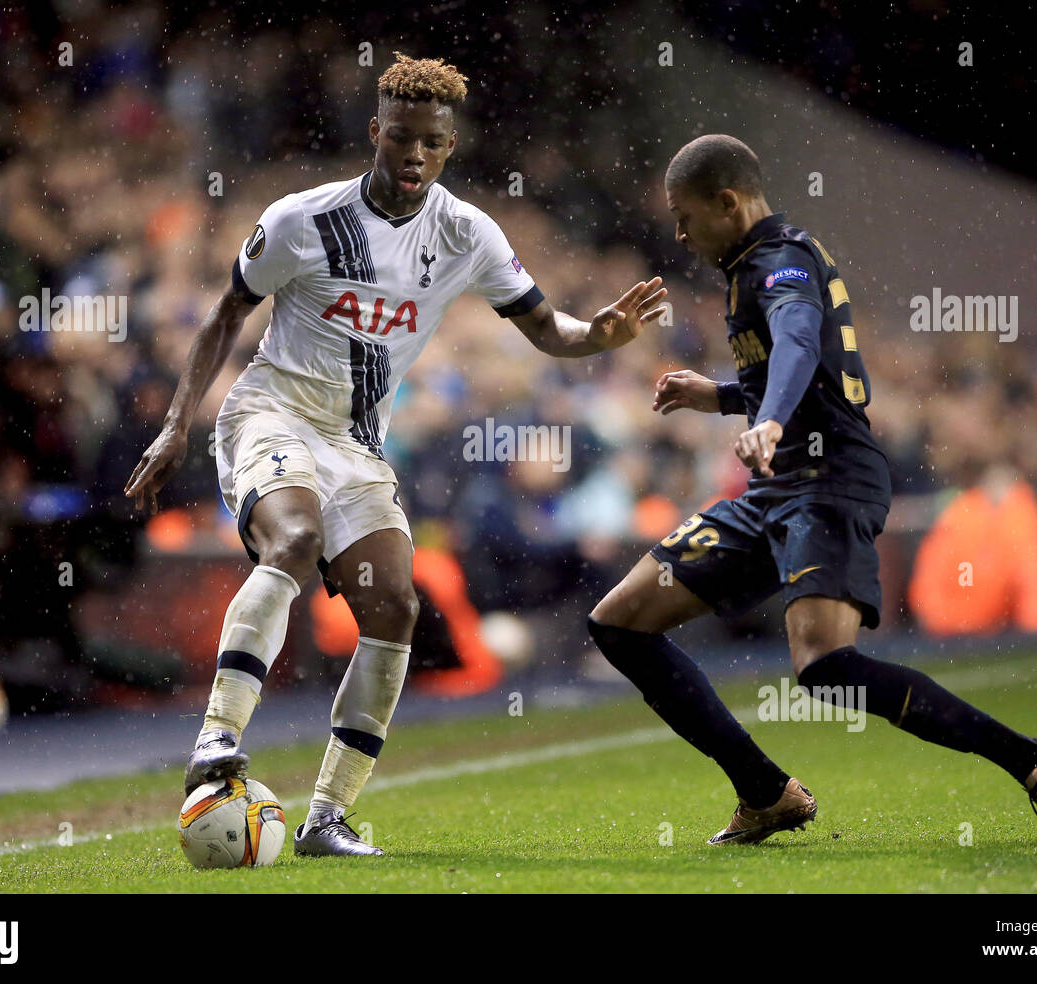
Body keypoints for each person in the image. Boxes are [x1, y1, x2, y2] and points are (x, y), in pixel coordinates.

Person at [124, 53, 666, 857]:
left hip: (355, 443)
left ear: (450, 147)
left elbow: (548, 327)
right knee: (296, 542)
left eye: (433, 144)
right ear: (375, 133)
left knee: (395, 608)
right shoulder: (303, 218)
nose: (415, 156)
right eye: (402, 138)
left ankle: (325, 819)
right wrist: (176, 425)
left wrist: (599, 337)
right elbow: (225, 312)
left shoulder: (468, 233)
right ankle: (214, 742)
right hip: (272, 412)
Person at [587, 134, 1037, 846]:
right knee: (619, 622)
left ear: (728, 202)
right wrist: (724, 396)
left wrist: (763, 418)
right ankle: (764, 791)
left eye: (685, 214)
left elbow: (797, 341)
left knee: (827, 666)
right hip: (777, 487)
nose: (678, 232)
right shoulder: (752, 264)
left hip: (829, 481)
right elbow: (809, 369)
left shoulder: (780, 261)